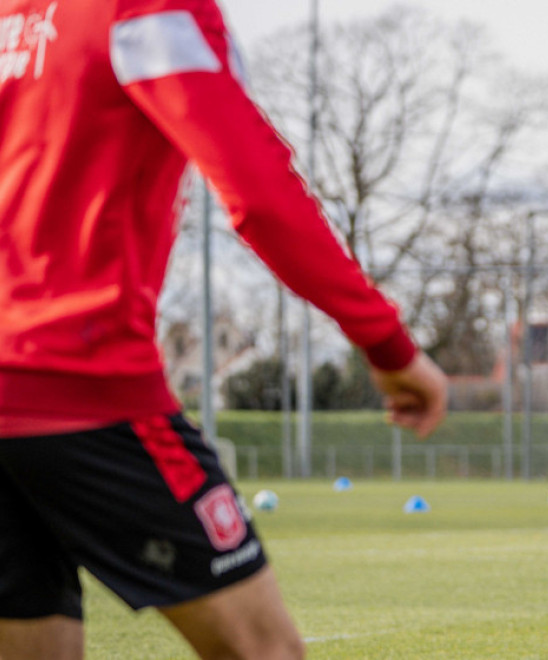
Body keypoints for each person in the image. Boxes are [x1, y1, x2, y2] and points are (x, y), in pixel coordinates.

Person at [0, 1, 449, 658]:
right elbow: (259, 192)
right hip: (80, 385)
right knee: (265, 650)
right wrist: (387, 343)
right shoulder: (147, 10)